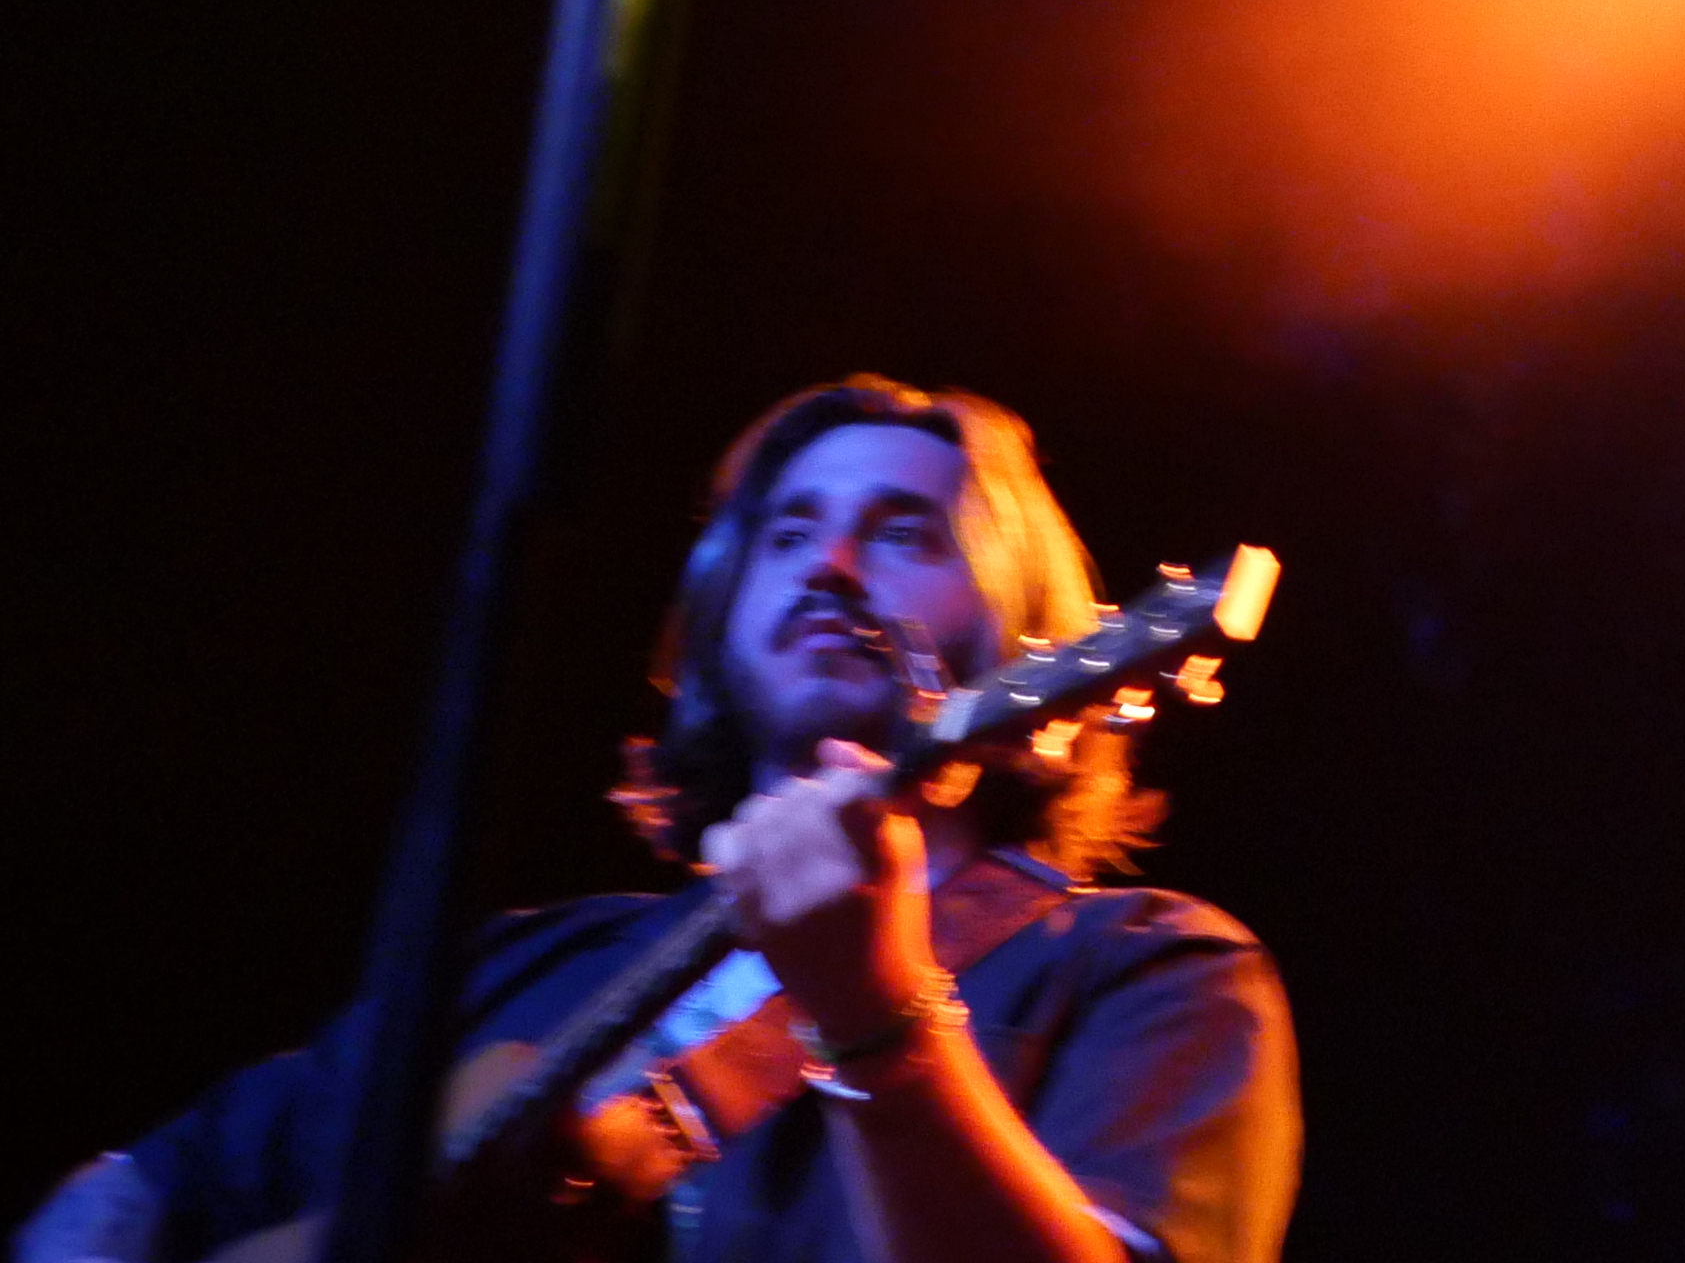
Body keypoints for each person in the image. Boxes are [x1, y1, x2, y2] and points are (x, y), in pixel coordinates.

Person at [23, 378, 1298, 1263]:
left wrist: (877, 1010)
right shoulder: (527, 962)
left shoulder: (1147, 971)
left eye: (903, 531)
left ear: (1030, 639)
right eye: (788, 533)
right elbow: (144, 1187)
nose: (830, 565)